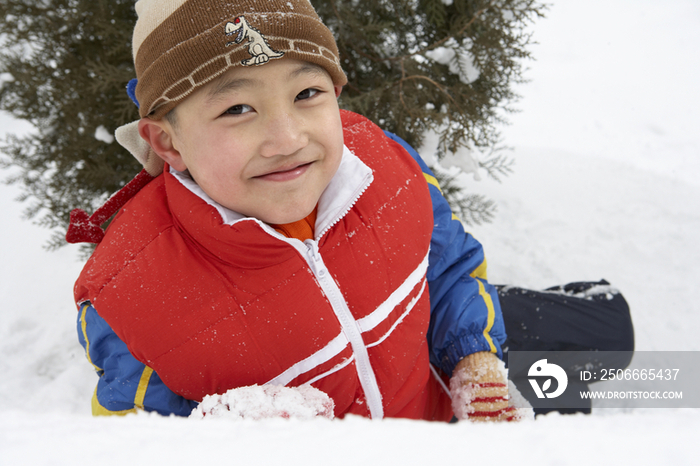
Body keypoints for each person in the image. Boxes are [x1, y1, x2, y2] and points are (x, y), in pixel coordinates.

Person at [69, 0, 632, 421]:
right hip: (406, 435)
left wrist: (472, 356)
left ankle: (592, 317)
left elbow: (447, 264)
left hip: (421, 357)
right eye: (238, 108)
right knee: (580, 391)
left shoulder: (379, 165)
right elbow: (136, 434)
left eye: (307, 94)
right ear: (167, 143)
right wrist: (233, 432)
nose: (287, 138)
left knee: (618, 341)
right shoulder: (130, 299)